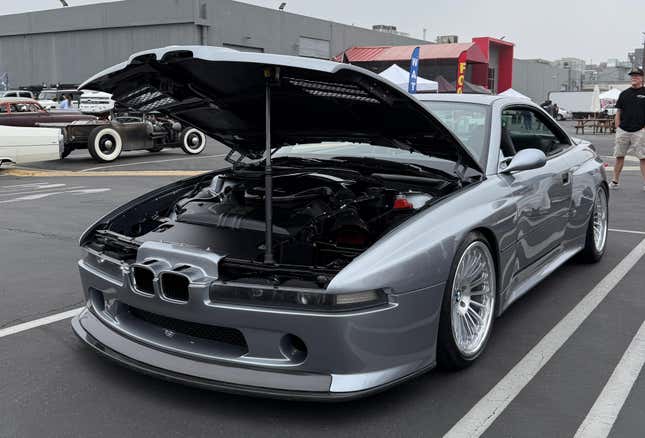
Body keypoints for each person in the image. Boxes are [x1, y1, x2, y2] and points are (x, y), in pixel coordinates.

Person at [610, 67, 645, 190]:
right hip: (623, 130)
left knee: (643, 157)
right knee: (619, 156)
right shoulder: (624, 94)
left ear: (642, 78)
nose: (634, 77)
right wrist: (617, 126)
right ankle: (615, 182)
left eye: (637, 76)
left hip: (640, 130)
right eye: (632, 76)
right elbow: (619, 111)